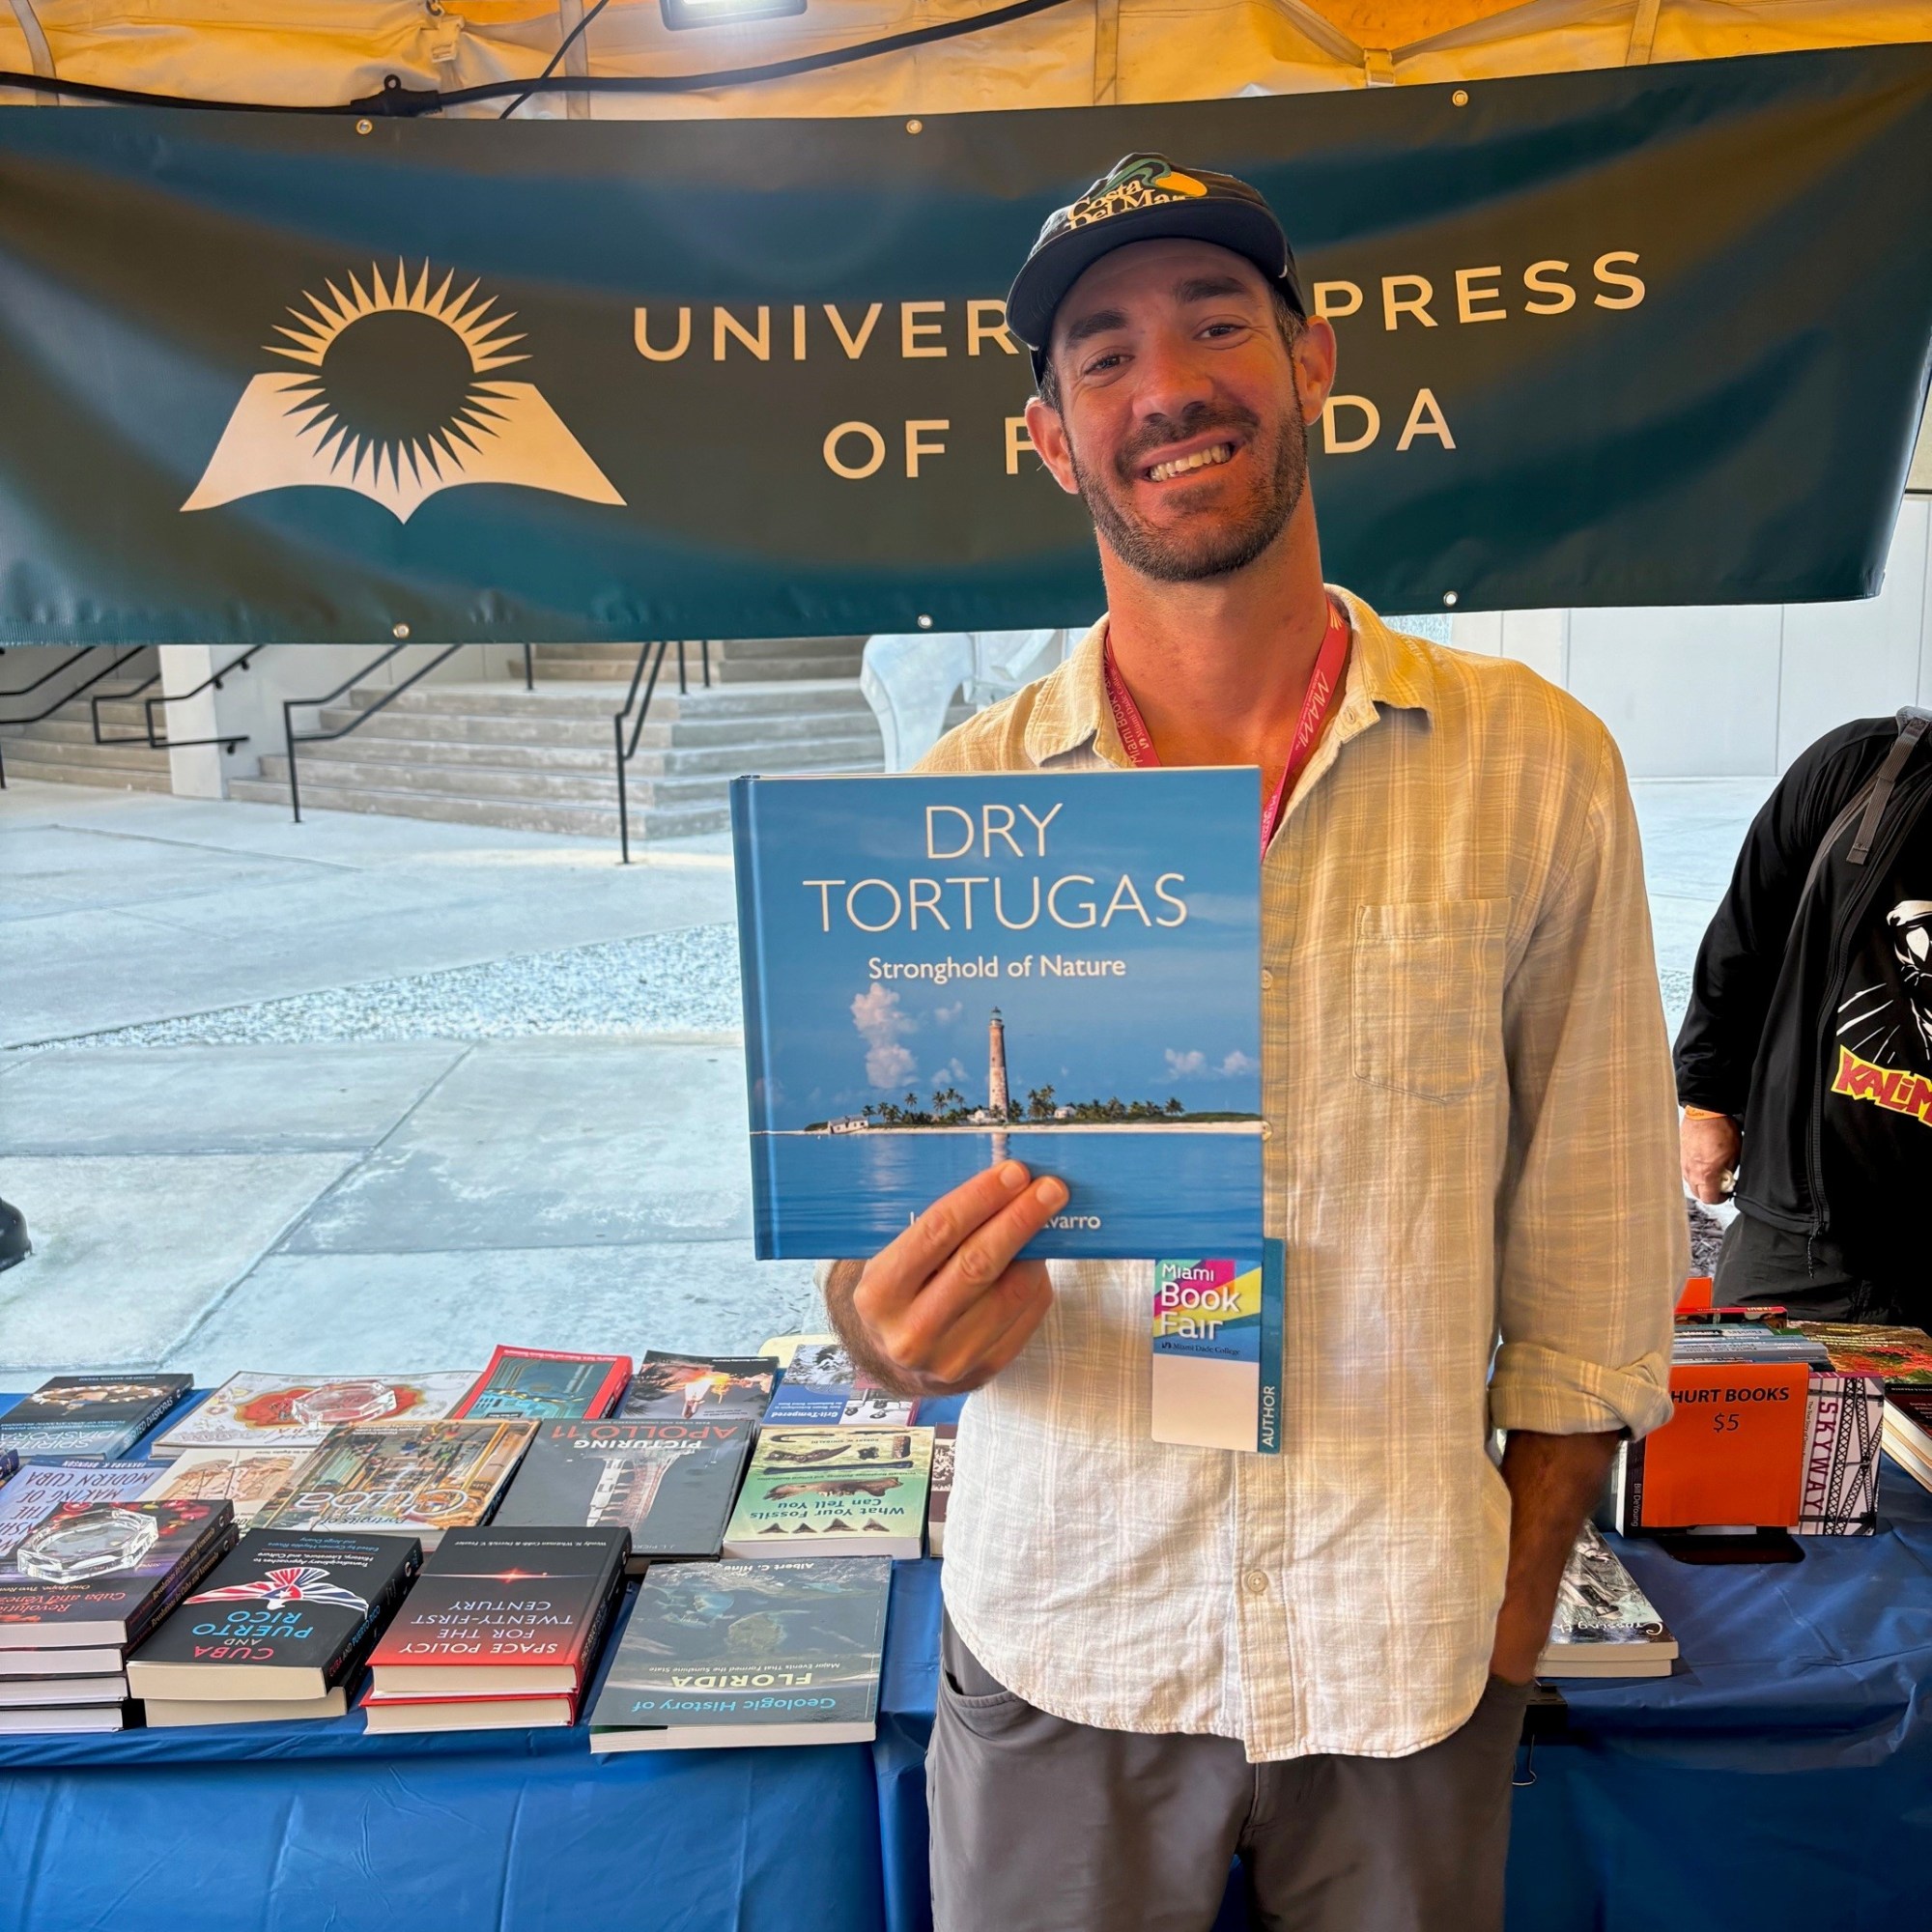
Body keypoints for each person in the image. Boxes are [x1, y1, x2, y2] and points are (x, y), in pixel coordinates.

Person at [823, 154, 1684, 1931]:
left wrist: (1510, 1618)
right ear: (1055, 441)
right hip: (1071, 1638)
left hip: (1402, 1654)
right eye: (1105, 356)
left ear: (1316, 363)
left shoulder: (1534, 765)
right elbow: (867, 1253)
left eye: (1218, 324)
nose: (1170, 387)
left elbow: (1596, 1245)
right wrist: (884, 1331)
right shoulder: (958, 808)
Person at [1676, 708, 1931, 1322]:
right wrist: (1707, 1103)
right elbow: (1742, 942)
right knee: (1746, 1408)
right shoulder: (1865, 765)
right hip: (1801, 1238)